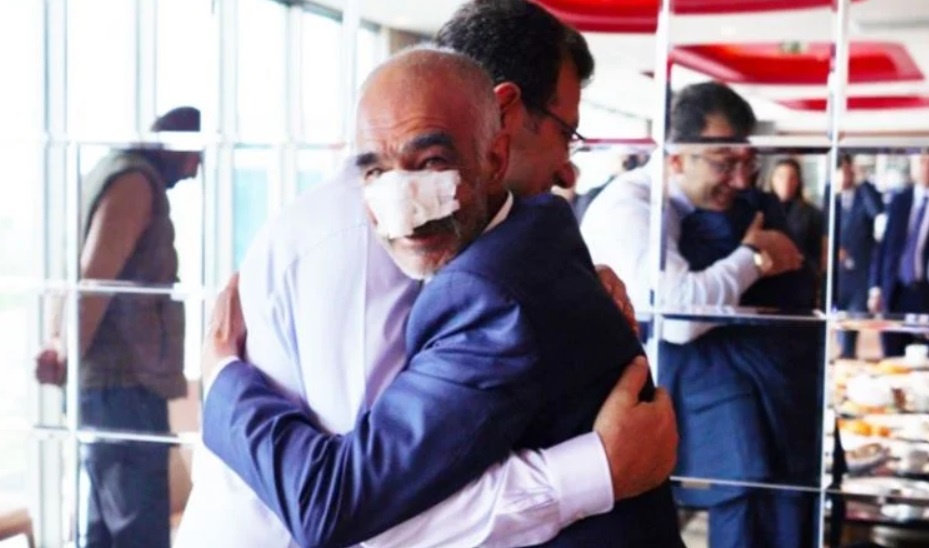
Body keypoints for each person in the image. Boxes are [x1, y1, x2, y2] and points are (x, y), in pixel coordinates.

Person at [176, 2, 676, 547]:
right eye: (567, 132)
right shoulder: (370, 250)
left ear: (495, 151)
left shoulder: (486, 257)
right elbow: (362, 513)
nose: (568, 167)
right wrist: (595, 471)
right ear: (506, 116)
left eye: (433, 161)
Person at [581, 81, 823, 548]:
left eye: (747, 163)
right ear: (676, 157)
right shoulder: (630, 207)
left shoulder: (718, 207)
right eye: (724, 163)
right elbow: (678, 315)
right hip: (613, 418)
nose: (740, 180)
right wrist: (754, 257)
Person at [34, 106, 202, 548]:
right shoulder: (133, 183)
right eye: (195, 156)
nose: (194, 171)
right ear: (177, 144)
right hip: (122, 387)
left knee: (104, 529)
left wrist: (63, 351)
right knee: (136, 531)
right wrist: (65, 359)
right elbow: (94, 282)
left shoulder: (113, 172)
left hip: (113, 386)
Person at [870, 151, 929, 357]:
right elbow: (884, 246)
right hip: (896, 291)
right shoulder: (900, 200)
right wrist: (875, 287)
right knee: (892, 357)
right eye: (922, 161)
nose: (925, 166)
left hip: (925, 292)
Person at [828, 153, 883, 358]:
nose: (844, 175)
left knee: (854, 324)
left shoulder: (864, 194)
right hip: (837, 276)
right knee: (835, 324)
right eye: (840, 171)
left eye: (847, 170)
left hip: (860, 275)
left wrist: (862, 181)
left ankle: (847, 356)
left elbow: (877, 211)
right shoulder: (831, 198)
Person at [767, 157, 824, 274]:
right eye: (780, 177)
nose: (786, 182)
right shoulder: (760, 210)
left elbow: (817, 255)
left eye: (792, 178)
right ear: (772, 179)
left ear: (798, 182)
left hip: (799, 274)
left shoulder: (812, 214)